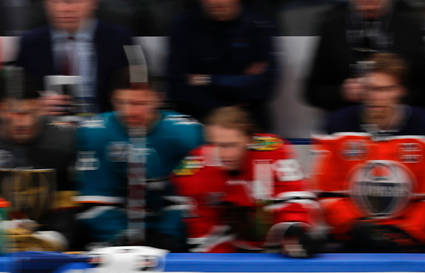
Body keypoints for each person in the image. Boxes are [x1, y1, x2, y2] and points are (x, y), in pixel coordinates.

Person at [312, 104, 425, 254]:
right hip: (353, 241)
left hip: (413, 245)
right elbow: (327, 193)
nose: (378, 99)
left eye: (384, 89)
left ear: (399, 91)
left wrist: (406, 232)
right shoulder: (341, 133)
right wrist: (354, 227)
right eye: (372, 90)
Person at [76, 68, 203, 249]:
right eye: (122, 103)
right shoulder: (95, 133)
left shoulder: (186, 134)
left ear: (158, 99)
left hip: (170, 234)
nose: (130, 112)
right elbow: (93, 201)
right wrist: (122, 238)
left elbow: (193, 199)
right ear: (112, 99)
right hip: (116, 238)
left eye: (139, 103)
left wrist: (167, 236)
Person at [171, 106, 320, 256]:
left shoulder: (271, 153)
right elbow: (204, 233)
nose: (222, 154)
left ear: (249, 139)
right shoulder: (196, 170)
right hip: (231, 250)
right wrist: (222, 267)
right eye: (215, 145)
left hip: (278, 247)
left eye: (230, 145)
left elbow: (295, 200)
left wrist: (292, 234)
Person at [0, 68, 78, 251]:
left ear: (41, 107)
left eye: (30, 113)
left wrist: (51, 241)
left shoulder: (63, 142)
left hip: (50, 243)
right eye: (14, 113)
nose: (23, 123)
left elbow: (67, 210)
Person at [303, 0, 425, 115]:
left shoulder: (411, 25)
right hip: (347, 127)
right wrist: (342, 93)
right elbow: (312, 92)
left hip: (401, 128)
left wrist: (393, 93)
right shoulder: (332, 26)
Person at [165, 0, 278, 131]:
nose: (216, 2)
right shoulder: (183, 26)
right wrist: (239, 82)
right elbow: (178, 85)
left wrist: (207, 79)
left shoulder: (259, 24)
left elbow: (265, 85)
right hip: (198, 119)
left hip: (248, 118)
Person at [13, 0, 135, 117]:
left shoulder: (119, 39)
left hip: (105, 123)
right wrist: (36, 105)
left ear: (94, 2)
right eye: (56, 1)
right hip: (49, 126)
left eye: (75, 1)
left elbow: (139, 86)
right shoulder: (30, 43)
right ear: (46, 4)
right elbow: (18, 93)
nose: (65, 9)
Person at [323, 52, 425, 138]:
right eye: (368, 88)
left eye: (383, 89)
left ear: (401, 90)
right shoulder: (338, 126)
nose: (374, 96)